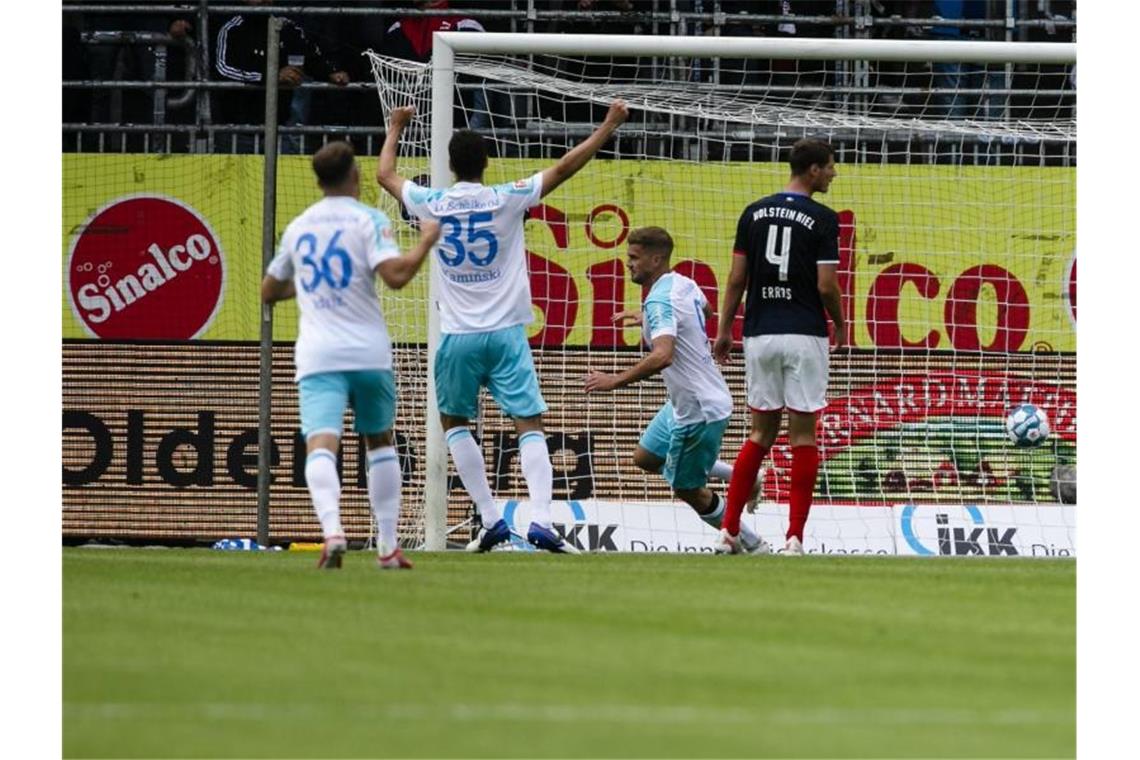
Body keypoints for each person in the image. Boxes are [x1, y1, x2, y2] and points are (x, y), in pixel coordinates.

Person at [377, 100, 629, 554]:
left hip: (458, 335)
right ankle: (541, 522)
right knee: (528, 424)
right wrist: (608, 126)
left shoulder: (429, 201)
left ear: (451, 166)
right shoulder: (507, 197)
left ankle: (491, 518)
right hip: (508, 333)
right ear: (487, 163)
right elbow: (565, 166)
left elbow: (385, 176)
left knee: (454, 421)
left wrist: (396, 127)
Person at [262, 142, 440, 569]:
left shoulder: (300, 226)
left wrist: (307, 285)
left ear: (318, 180)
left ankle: (332, 531)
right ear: (356, 175)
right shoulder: (369, 220)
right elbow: (396, 277)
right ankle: (388, 546)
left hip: (319, 353)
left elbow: (268, 291)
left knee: (321, 442)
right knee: (379, 441)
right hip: (367, 351)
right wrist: (425, 242)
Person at [584, 227, 771, 554]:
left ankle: (753, 545)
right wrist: (644, 316)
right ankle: (746, 476)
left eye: (634, 258)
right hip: (689, 400)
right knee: (646, 457)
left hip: (697, 410)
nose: (628, 264)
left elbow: (662, 355)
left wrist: (613, 380)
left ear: (656, 259)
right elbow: (706, 310)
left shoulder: (659, 300)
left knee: (688, 488)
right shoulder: (683, 283)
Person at [712, 138, 847, 556]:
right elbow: (826, 285)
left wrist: (724, 329)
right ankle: (794, 539)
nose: (833, 174)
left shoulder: (753, 212)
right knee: (803, 436)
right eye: (829, 167)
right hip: (804, 333)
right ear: (812, 170)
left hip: (760, 333)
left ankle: (729, 532)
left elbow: (737, 279)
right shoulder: (823, 218)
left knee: (758, 433)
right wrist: (840, 323)